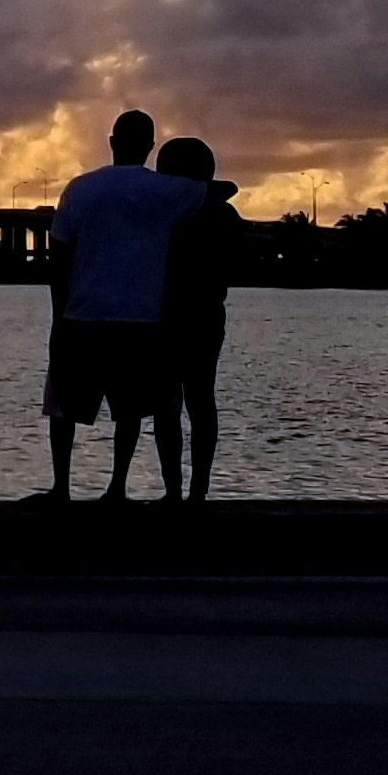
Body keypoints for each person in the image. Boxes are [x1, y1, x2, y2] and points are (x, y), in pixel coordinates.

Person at [35, 107, 205, 502]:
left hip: (82, 313)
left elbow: (59, 260)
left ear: (111, 142)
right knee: (129, 408)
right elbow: (208, 190)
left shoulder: (79, 189)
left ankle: (61, 487)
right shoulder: (167, 191)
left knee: (63, 405)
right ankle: (116, 487)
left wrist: (58, 318)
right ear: (150, 146)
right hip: (141, 317)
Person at [153, 135, 244, 504]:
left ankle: (173, 491)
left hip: (166, 315)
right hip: (207, 315)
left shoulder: (164, 214)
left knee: (166, 404)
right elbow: (233, 264)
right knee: (200, 401)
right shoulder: (224, 215)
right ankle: (197, 492)